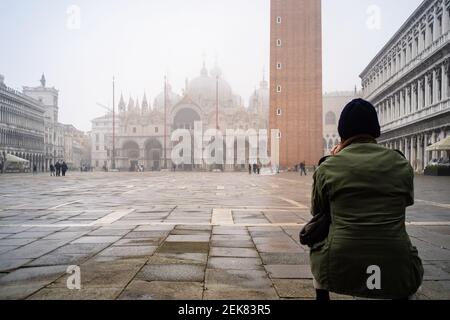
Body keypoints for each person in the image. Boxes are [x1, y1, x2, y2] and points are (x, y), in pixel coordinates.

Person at [309, 99, 423, 301]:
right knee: (404, 275)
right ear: (375, 131)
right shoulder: (402, 164)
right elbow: (405, 202)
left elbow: (317, 211)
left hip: (338, 264)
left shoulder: (327, 167)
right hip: (397, 263)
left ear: (342, 133)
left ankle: (322, 296)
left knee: (315, 237)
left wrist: (336, 160)